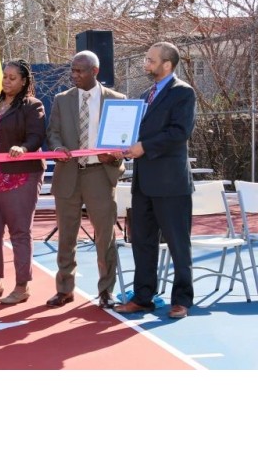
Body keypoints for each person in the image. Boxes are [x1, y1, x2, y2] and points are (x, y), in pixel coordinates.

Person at [115, 41, 196, 319]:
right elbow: (133, 133)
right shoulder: (145, 94)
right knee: (143, 242)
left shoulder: (183, 93)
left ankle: (182, 299)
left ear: (167, 65)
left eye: (151, 60)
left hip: (171, 184)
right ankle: (143, 297)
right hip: (143, 183)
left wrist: (144, 147)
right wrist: (122, 144)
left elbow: (179, 132)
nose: (145, 64)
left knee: (177, 243)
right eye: (146, 60)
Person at [45, 51, 126, 309]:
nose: (75, 75)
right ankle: (64, 289)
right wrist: (57, 149)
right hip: (68, 173)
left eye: (80, 71)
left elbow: (123, 141)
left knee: (105, 237)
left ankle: (106, 291)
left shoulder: (116, 100)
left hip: (99, 176)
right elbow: (53, 133)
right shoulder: (62, 100)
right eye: (73, 70)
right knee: (66, 236)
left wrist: (113, 156)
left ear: (95, 71)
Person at [0, 59, 46, 304]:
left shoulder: (32, 106)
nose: (6, 81)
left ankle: (22, 286)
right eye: (5, 76)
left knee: (19, 232)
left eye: (12, 77)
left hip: (19, 176)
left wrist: (23, 147)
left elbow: (36, 136)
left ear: (24, 81)